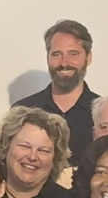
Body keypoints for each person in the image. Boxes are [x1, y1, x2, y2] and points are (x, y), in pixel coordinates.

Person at [13, 20, 99, 166]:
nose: (64, 62)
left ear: (88, 58)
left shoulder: (102, 114)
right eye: (57, 54)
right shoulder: (23, 110)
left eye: (73, 54)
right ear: (48, 57)